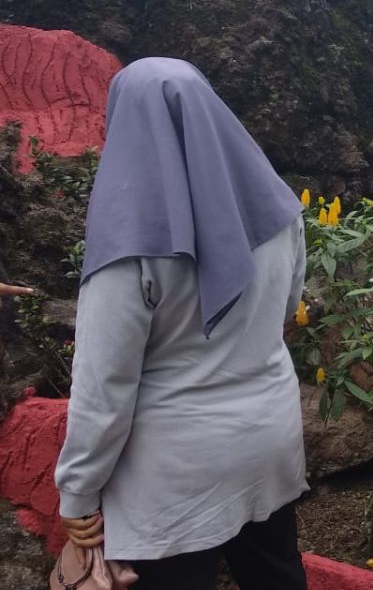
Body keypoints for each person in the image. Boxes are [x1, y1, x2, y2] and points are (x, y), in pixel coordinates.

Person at [55, 58, 309, 590]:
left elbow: (104, 386)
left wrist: (77, 492)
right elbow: (284, 312)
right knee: (276, 574)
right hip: (269, 439)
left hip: (172, 478)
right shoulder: (278, 212)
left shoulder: (129, 247)